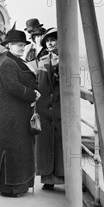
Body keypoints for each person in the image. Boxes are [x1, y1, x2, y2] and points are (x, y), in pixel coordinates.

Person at [0, 26, 40, 197]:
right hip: (10, 115)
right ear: (9, 46)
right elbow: (12, 87)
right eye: (18, 45)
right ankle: (11, 187)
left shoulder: (15, 61)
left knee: (20, 149)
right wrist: (32, 94)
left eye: (23, 45)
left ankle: (20, 184)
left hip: (18, 113)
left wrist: (35, 90)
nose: (21, 47)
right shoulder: (7, 63)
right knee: (13, 150)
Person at [35, 27, 64, 190]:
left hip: (61, 108)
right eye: (48, 41)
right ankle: (47, 179)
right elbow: (39, 83)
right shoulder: (43, 60)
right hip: (45, 108)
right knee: (46, 144)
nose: (51, 43)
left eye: (54, 40)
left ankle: (64, 177)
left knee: (61, 143)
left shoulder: (68, 59)